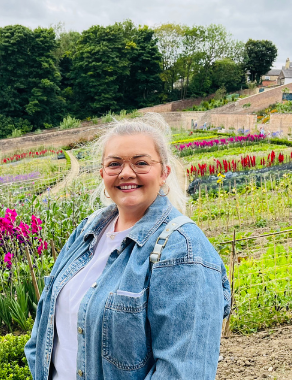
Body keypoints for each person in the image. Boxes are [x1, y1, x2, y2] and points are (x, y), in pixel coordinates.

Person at [25, 117, 231, 380]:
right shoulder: (87, 232)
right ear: (102, 174)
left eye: (141, 162)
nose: (126, 173)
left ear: (164, 172)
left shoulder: (182, 249)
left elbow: (183, 372)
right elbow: (42, 332)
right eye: (114, 164)